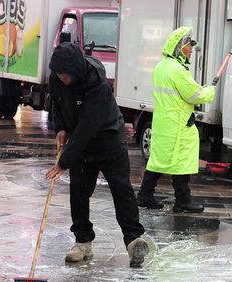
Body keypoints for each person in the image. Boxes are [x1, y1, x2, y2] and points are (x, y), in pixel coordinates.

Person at [45, 41, 155, 266]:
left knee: (121, 190)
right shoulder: (57, 78)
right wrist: (61, 129)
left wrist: (63, 162)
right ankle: (83, 242)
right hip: (81, 145)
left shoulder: (98, 85)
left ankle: (134, 241)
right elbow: (56, 102)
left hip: (108, 142)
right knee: (78, 192)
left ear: (75, 70)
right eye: (57, 74)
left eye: (64, 74)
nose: (60, 78)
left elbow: (87, 126)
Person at [139, 26, 216, 213]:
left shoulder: (161, 66)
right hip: (179, 124)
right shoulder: (178, 70)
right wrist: (210, 91)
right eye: (189, 46)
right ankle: (182, 201)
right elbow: (195, 95)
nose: (191, 50)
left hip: (164, 122)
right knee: (181, 162)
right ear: (180, 47)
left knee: (159, 160)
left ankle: (144, 195)